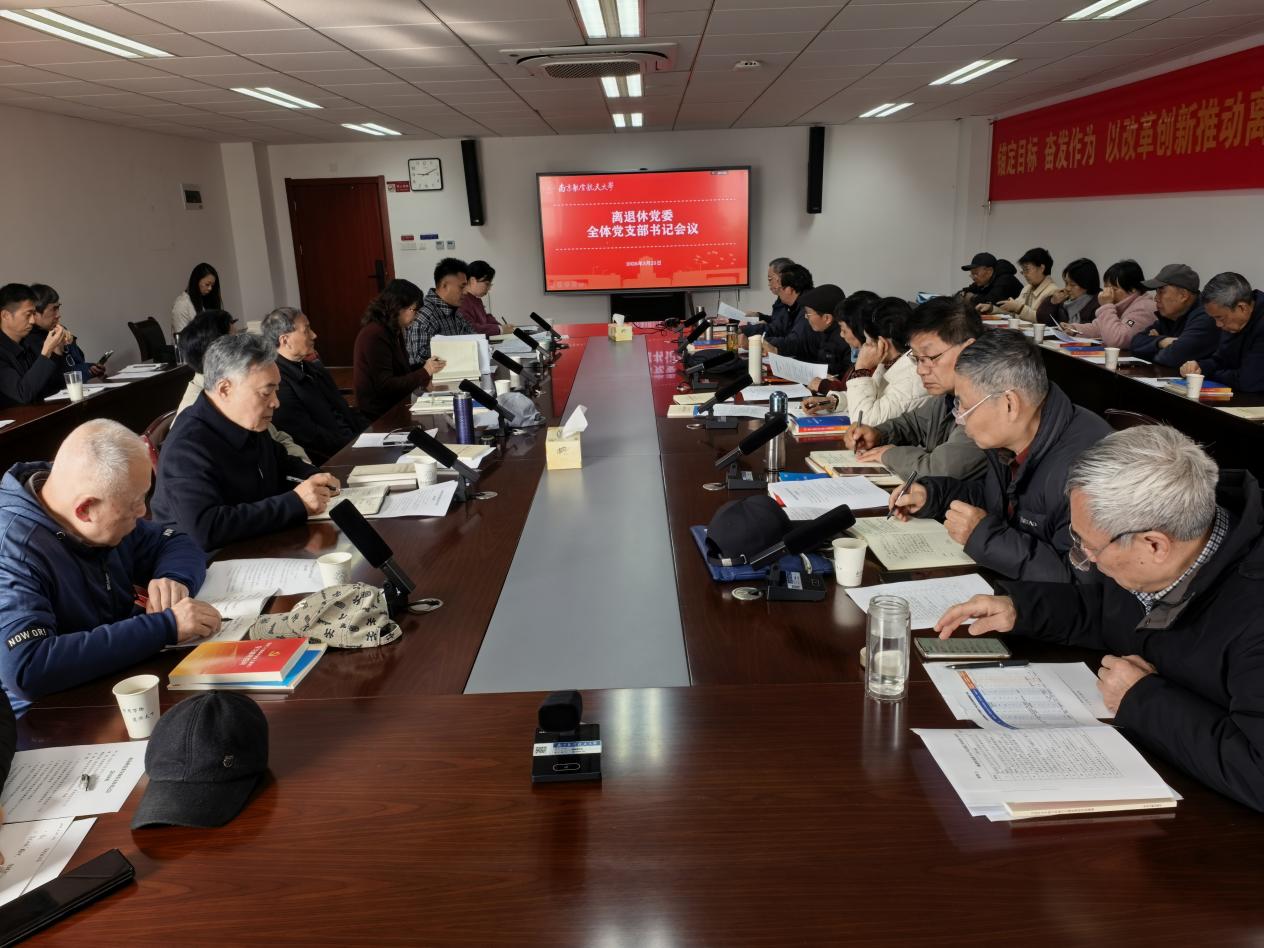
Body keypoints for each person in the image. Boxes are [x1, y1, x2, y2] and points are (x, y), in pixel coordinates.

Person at [934, 426, 1264, 812]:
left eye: (1088, 547)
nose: (1085, 559)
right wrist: (1020, 609)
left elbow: (1257, 772)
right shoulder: (1175, 536)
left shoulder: (1254, 616)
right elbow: (1108, 611)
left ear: (1154, 545)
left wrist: (1142, 699)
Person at [0, 419, 219, 713]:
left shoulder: (87, 500)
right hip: (50, 714)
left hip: (117, 677)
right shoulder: (13, 551)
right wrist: (166, 626)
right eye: (134, 504)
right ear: (85, 510)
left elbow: (174, 540)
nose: (143, 512)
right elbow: (26, 668)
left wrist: (174, 578)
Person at [890, 329, 1110, 581]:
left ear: (1009, 404)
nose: (959, 419)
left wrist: (986, 537)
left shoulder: (1088, 470)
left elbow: (1081, 581)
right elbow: (996, 501)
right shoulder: (1012, 440)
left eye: (964, 407)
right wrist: (933, 496)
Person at [151, 334, 340, 551]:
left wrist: (315, 478)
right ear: (225, 389)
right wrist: (296, 503)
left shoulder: (244, 421)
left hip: (257, 543)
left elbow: (282, 463)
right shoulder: (187, 446)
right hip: (207, 561)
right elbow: (206, 529)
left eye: (276, 391)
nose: (276, 402)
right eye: (266, 393)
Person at [844, 298, 988, 481]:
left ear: (967, 350)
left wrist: (888, 454)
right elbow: (913, 423)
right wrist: (878, 434)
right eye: (917, 358)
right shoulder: (948, 397)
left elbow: (939, 470)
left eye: (929, 358)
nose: (920, 370)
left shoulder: (988, 402)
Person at [174, 309, 309, 464]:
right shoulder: (200, 417)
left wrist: (305, 468)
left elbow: (276, 441)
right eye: (235, 341)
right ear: (218, 353)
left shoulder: (242, 396)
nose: (245, 344)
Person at [262, 307, 366, 465]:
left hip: (355, 443)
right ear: (285, 340)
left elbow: (343, 408)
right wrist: (354, 445)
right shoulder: (278, 382)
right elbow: (309, 435)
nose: (314, 335)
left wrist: (371, 432)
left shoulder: (314, 368)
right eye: (306, 330)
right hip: (332, 459)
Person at [803, 297, 929, 426]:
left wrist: (861, 370)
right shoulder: (891, 363)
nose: (864, 346)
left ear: (883, 344)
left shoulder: (912, 377)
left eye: (868, 341)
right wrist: (832, 401)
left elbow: (864, 422)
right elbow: (872, 398)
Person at [354, 279, 445, 421]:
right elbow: (385, 386)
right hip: (379, 415)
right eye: (414, 310)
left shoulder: (393, 330)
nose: (417, 316)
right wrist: (425, 371)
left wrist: (428, 367)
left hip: (397, 404)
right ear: (397, 307)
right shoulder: (374, 334)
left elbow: (402, 371)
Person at [1180, 272, 1264, 393]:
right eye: (1214, 318)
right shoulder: (1234, 323)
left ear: (1242, 308)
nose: (1218, 325)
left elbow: (1248, 381)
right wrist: (1199, 367)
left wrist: (1210, 373)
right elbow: (1221, 360)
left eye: (1220, 318)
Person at [1131, 263, 1219, 368]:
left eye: (1161, 292)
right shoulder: (1171, 316)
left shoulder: (1206, 316)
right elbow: (1135, 344)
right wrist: (1161, 341)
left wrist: (1150, 347)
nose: (1156, 298)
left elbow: (1173, 358)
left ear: (1183, 296)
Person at [0, 283, 64, 406]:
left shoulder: (26, 343)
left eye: (34, 314)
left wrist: (56, 352)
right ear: (5, 315)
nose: (33, 321)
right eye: (28, 315)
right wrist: (46, 352)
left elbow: (48, 386)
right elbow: (22, 395)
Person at [1069, 259, 1155, 348]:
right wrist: (1073, 329)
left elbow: (1116, 340)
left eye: (1114, 289)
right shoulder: (1122, 305)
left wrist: (1106, 306)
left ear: (1133, 289)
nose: (1109, 293)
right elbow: (1099, 328)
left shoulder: (1144, 308)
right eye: (1106, 288)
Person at [25, 285, 103, 379]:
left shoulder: (59, 330)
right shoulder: (26, 342)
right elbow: (50, 380)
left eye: (58, 308)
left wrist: (89, 368)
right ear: (35, 313)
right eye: (54, 309)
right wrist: (57, 348)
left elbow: (77, 363)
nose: (58, 315)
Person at [405, 258, 473, 365]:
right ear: (444, 285)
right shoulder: (425, 315)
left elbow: (472, 338)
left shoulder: (455, 312)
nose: (465, 292)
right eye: (461, 287)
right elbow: (419, 362)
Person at [984, 248, 1057, 322]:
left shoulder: (1053, 291)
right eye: (1023, 271)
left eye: (1027, 270)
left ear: (1041, 268)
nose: (1024, 275)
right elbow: (1013, 313)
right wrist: (992, 309)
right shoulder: (1027, 288)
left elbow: (1042, 319)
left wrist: (1019, 308)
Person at [760, 263, 814, 357]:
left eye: (780, 288)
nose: (778, 291)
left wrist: (758, 341)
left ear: (789, 290)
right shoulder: (795, 306)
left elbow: (794, 342)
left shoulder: (808, 307)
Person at [1036, 258, 1101, 327]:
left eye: (1072, 285)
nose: (1067, 288)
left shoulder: (1099, 303)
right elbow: (1041, 320)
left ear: (1087, 284)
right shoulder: (1064, 299)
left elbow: (1097, 329)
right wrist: (1052, 302)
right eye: (1066, 283)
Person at [741, 257, 795, 336]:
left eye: (770, 279)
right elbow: (777, 320)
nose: (769, 284)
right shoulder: (781, 297)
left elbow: (778, 330)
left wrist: (744, 329)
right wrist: (759, 316)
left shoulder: (791, 299)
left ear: (781, 278)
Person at [459, 261, 513, 335]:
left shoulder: (476, 299)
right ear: (472, 281)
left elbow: (486, 318)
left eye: (490, 285)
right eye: (487, 284)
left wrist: (503, 327)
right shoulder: (461, 300)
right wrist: (500, 329)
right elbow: (471, 328)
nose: (489, 288)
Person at [956, 252, 1021, 310]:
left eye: (976, 273)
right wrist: (964, 294)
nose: (973, 277)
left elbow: (989, 303)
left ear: (989, 271)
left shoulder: (1005, 279)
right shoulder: (982, 282)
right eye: (972, 273)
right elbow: (963, 292)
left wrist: (972, 297)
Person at [172, 263, 221, 337]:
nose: (210, 288)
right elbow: (182, 340)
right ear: (196, 281)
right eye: (207, 284)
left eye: (212, 285)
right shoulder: (181, 305)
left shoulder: (202, 301)